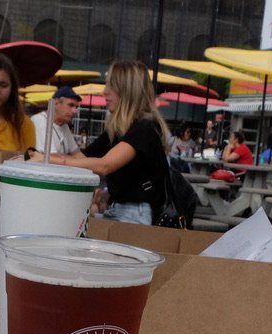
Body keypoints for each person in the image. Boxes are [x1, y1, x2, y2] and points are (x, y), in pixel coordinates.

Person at [28, 60, 169, 226]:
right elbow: (82, 158)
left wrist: (47, 160)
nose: (104, 92)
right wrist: (36, 156)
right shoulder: (120, 129)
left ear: (127, 91)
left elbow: (104, 166)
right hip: (120, 209)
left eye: (110, 87)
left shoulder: (145, 128)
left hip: (135, 214)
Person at [31, 85, 82, 156]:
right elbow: (53, 158)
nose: (75, 111)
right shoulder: (39, 120)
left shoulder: (63, 125)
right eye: (70, 105)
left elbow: (78, 154)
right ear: (56, 103)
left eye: (76, 107)